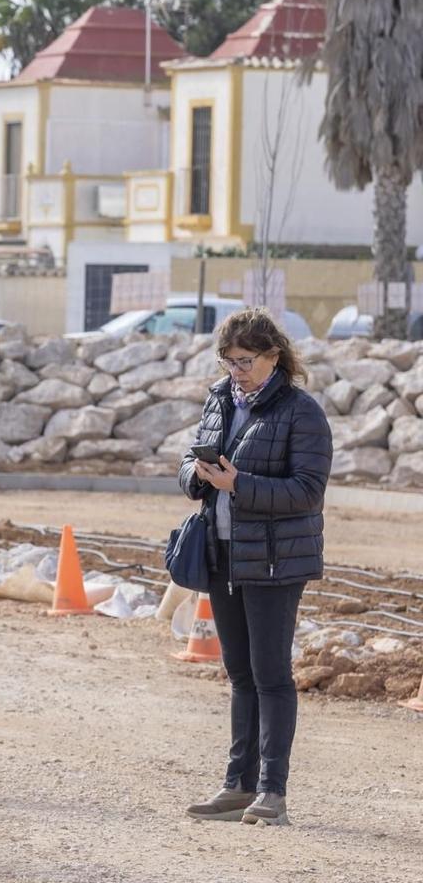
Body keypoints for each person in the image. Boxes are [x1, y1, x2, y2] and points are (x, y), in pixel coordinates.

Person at [180, 308, 329, 828]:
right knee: (240, 675)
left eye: (244, 361)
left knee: (271, 676)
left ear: (273, 357)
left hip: (274, 563)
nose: (235, 371)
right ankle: (236, 785)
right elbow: (188, 462)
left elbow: (307, 491)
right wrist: (197, 475)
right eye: (227, 361)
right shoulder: (220, 400)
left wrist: (238, 483)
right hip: (223, 555)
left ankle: (272, 791)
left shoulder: (300, 412)